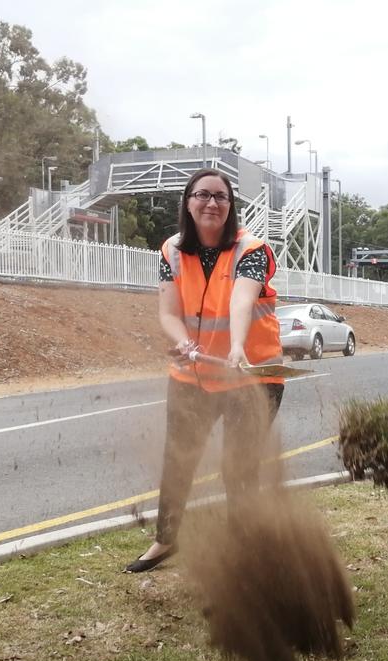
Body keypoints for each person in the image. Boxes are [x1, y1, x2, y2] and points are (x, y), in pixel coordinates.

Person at [124, 169, 286, 573]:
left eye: (221, 197)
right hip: (192, 375)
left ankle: (244, 550)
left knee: (239, 467)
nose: (212, 203)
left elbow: (241, 301)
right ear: (188, 202)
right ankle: (165, 539)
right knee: (178, 458)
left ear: (231, 207)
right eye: (203, 195)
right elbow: (168, 312)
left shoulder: (253, 249)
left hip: (251, 375)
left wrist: (235, 348)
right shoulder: (172, 250)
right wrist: (183, 343)